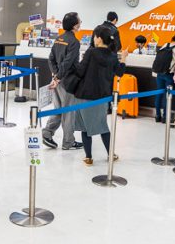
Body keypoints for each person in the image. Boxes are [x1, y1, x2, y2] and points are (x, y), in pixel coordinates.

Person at [71, 24, 127, 166]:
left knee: (85, 127)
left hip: (84, 95)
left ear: (100, 39)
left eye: (95, 36)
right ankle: (111, 154)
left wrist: (73, 63)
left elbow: (80, 71)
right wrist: (124, 58)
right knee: (103, 126)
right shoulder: (113, 56)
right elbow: (120, 72)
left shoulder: (91, 52)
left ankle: (88, 157)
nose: (94, 39)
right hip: (102, 97)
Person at [44, 12, 82, 150]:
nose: (81, 22)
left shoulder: (59, 39)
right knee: (69, 112)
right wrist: (59, 77)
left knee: (59, 108)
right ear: (74, 25)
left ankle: (47, 133)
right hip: (68, 81)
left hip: (58, 80)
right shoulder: (74, 42)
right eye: (79, 21)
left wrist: (55, 76)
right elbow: (68, 63)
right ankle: (68, 142)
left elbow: (51, 59)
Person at [152, 32, 175, 123]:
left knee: (159, 94)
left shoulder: (165, 45)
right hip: (169, 75)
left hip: (159, 73)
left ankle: (157, 115)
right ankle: (165, 117)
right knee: (167, 96)